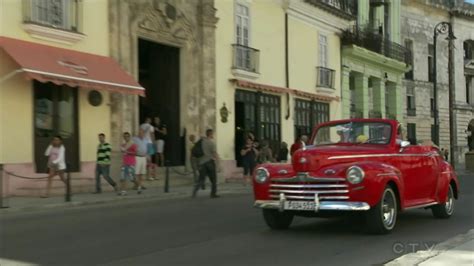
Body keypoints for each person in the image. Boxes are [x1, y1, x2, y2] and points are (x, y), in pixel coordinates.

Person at [192, 129, 219, 198]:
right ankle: (213, 194)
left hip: (201, 163)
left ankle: (195, 191)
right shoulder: (211, 143)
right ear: (210, 134)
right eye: (212, 134)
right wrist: (217, 160)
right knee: (213, 180)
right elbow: (214, 153)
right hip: (209, 162)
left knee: (201, 179)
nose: (213, 135)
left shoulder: (201, 141)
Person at [133, 128, 148, 194]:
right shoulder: (134, 139)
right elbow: (132, 146)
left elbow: (146, 148)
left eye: (142, 132)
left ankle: (140, 185)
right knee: (136, 173)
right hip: (137, 157)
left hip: (143, 157)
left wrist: (147, 156)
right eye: (140, 132)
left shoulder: (145, 140)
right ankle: (138, 185)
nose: (141, 133)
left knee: (142, 172)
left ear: (144, 133)